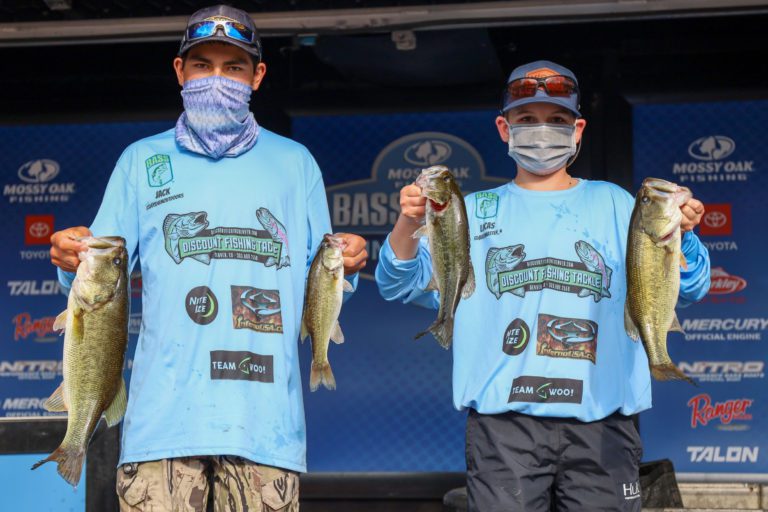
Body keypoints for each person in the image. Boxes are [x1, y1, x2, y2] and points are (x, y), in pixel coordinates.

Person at [49, 5, 367, 511]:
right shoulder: (140, 161)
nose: (217, 78)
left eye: (234, 66)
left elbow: (323, 275)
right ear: (180, 71)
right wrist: (71, 251)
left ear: (258, 76)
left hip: (265, 426)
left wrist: (346, 256)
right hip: (163, 426)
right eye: (202, 65)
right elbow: (98, 266)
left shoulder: (295, 163)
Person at [375, 60, 710, 511]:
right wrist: (408, 222)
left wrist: (684, 233)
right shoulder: (469, 209)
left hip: (603, 417)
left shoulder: (614, 201)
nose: (542, 130)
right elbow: (401, 285)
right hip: (503, 426)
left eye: (557, 120)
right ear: (503, 127)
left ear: (579, 130)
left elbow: (688, 288)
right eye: (527, 120)